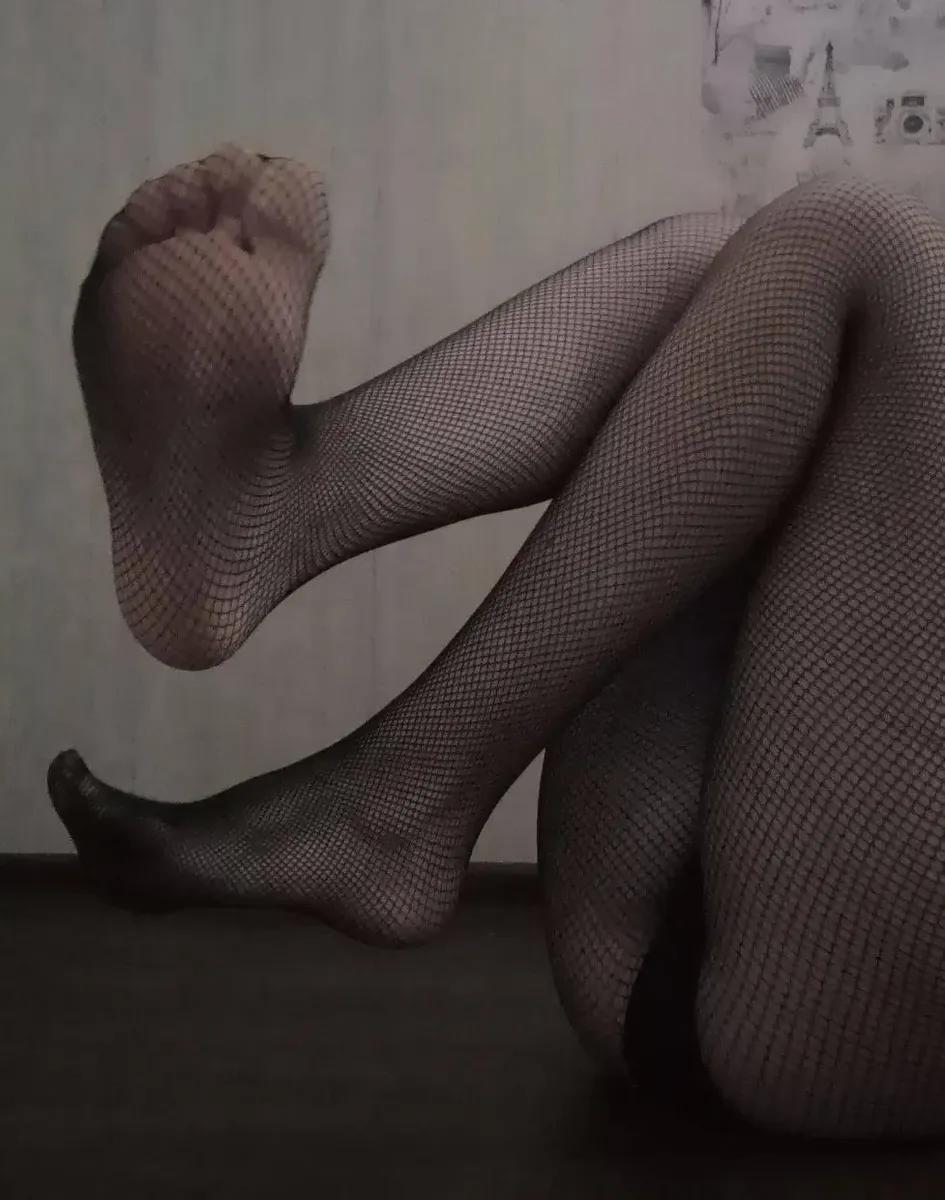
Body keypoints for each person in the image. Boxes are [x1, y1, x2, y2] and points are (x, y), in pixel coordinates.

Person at [47, 144, 945, 1139]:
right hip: (690, 924)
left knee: (865, 235)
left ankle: (390, 789)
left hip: (823, 1021)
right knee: (723, 267)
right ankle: (278, 507)